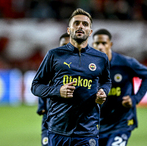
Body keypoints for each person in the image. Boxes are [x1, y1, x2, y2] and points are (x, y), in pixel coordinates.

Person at [31, 8, 111, 146]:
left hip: (88, 132)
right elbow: (36, 86)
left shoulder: (101, 58)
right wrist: (58, 91)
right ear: (69, 30)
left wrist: (104, 91)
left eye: (85, 24)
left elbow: (106, 81)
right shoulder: (54, 55)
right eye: (76, 23)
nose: (81, 26)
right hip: (58, 130)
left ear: (90, 32)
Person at [92, 29, 147, 146]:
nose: (100, 46)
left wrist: (135, 99)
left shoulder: (125, 63)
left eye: (103, 43)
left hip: (122, 123)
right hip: (98, 124)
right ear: (92, 45)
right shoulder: (90, 67)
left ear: (110, 44)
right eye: (97, 43)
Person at [36, 32, 70, 146]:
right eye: (63, 45)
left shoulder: (80, 68)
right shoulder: (52, 64)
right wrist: (42, 105)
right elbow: (40, 85)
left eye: (68, 45)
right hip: (51, 119)